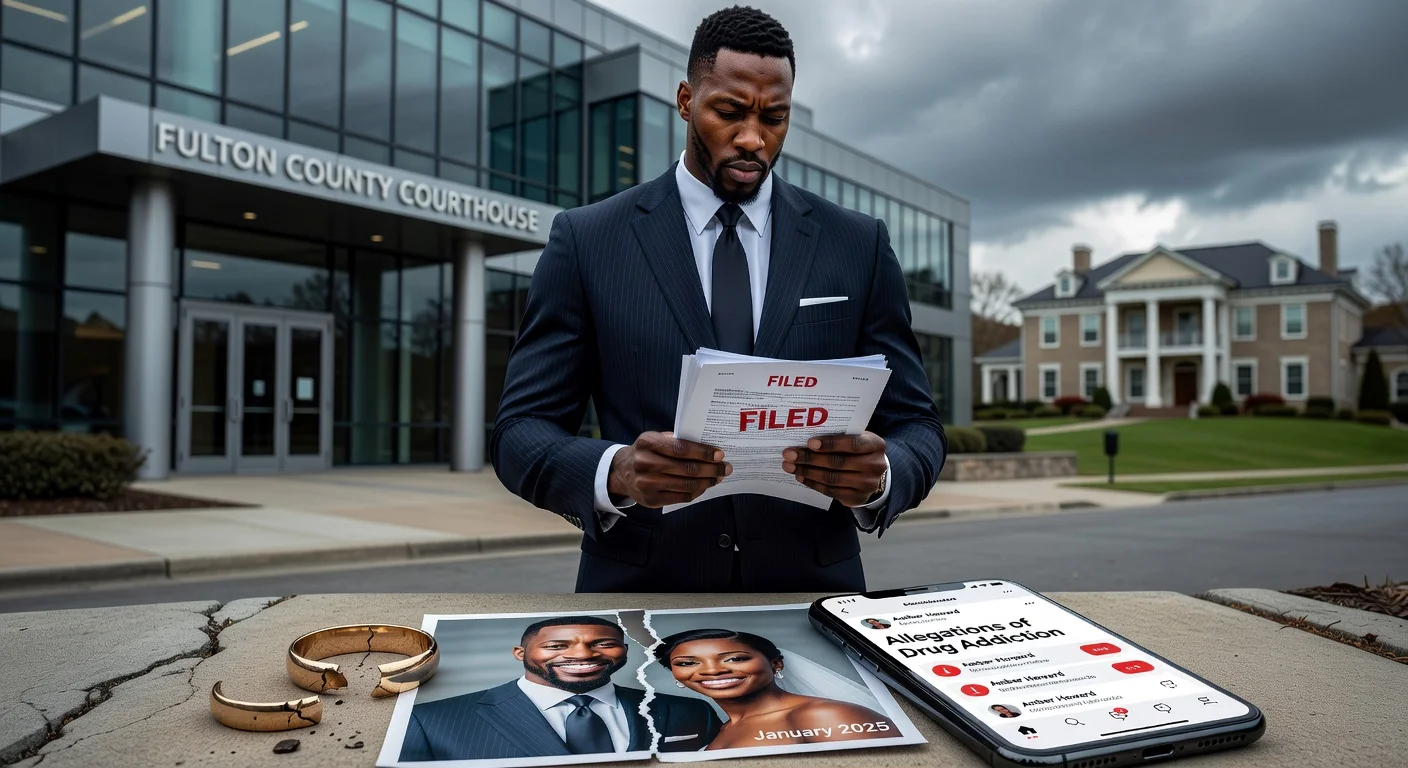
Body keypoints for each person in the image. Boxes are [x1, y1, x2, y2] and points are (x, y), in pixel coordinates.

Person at [491, 5, 946, 593]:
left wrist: (883, 475)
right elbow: (521, 430)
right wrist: (618, 472)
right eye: (728, 112)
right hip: (640, 595)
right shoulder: (588, 240)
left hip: (813, 593)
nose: (753, 138)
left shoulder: (857, 245)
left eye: (774, 118)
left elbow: (918, 423)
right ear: (685, 101)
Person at [400, 616, 719, 761]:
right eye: (556, 645)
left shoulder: (691, 710)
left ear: (624, 651)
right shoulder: (429, 721)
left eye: (604, 643)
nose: (582, 654)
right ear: (520, 654)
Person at [654, 628, 897, 750]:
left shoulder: (821, 715)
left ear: (776, 664)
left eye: (735, 659)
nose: (712, 671)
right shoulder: (715, 728)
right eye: (687, 663)